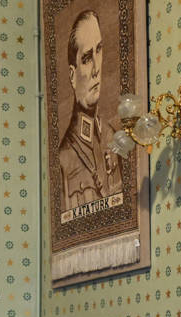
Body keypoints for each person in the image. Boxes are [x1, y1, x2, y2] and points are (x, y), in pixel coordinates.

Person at [58, 9, 123, 213]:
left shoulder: (112, 137)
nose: (96, 68)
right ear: (72, 74)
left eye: (99, 50)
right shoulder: (64, 160)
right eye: (86, 58)